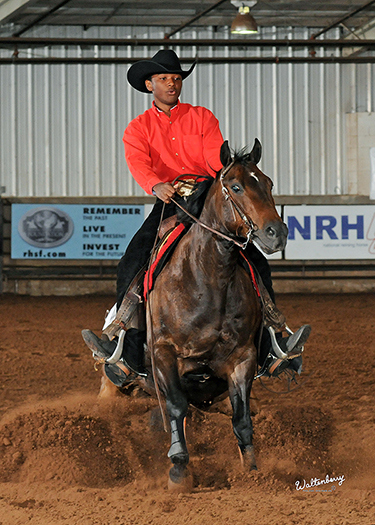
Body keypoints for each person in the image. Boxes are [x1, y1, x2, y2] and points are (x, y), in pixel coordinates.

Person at [82, 49, 310, 387]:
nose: (172, 83)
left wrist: (218, 180)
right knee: (132, 260)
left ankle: (274, 337)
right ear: (150, 85)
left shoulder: (202, 117)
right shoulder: (138, 128)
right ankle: (123, 344)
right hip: (168, 200)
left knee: (251, 257)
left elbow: (213, 157)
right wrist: (154, 184)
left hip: (206, 196)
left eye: (176, 78)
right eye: (164, 79)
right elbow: (139, 163)